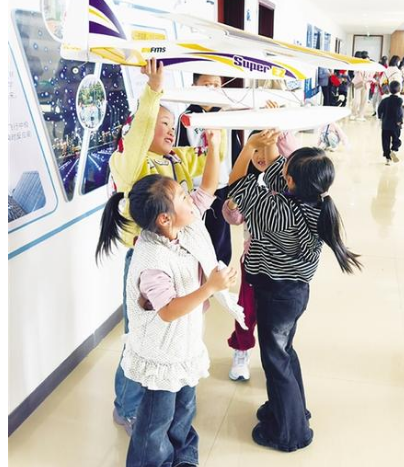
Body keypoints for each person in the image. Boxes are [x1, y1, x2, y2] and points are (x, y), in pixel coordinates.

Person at [96, 173, 237, 467]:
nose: (191, 198)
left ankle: (181, 451)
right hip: (161, 351)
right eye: (183, 197)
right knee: (156, 418)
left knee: (185, 405)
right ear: (164, 218)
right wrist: (210, 288)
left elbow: (206, 191)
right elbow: (169, 310)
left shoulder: (182, 229)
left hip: (185, 345)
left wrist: (215, 148)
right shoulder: (151, 261)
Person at [228, 135, 362, 452]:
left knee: (275, 360)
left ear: (290, 181)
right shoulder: (315, 204)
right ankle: (290, 409)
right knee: (285, 352)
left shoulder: (277, 211)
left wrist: (248, 148)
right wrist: (270, 137)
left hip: (275, 295)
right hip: (294, 294)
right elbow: (277, 169)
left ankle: (291, 433)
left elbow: (236, 187)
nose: (278, 166)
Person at [108, 59, 219, 436]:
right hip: (148, 263)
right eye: (163, 123)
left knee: (166, 338)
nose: (171, 130)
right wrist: (153, 91)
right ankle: (126, 408)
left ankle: (158, 401)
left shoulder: (175, 160)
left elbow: (208, 182)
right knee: (140, 340)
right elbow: (139, 131)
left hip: (177, 260)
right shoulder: (130, 163)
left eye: (174, 125)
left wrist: (217, 135)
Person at [223, 130, 299, 382]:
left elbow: (296, 156)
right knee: (246, 310)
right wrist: (232, 203)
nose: (261, 155)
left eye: (268, 148)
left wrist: (277, 128)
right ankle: (242, 349)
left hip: (282, 265)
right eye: (256, 149)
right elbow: (233, 217)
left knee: (278, 319)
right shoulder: (247, 181)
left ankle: (278, 359)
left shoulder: (289, 182)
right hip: (253, 263)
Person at [176, 72, 242, 266]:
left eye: (216, 84)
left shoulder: (226, 115)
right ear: (194, 86)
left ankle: (219, 267)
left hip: (221, 184)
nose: (211, 89)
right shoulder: (186, 117)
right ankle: (197, 268)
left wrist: (236, 183)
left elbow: (235, 151)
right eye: (206, 84)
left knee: (220, 232)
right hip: (197, 188)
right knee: (194, 229)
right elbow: (180, 152)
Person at [377, 80, 403, 165]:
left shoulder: (385, 100)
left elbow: (379, 109)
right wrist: (399, 121)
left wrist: (380, 117)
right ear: (399, 89)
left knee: (385, 141)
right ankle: (393, 150)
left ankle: (387, 158)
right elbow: (399, 112)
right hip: (395, 125)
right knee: (396, 139)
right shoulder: (399, 100)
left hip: (385, 125)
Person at [350, 51, 369, 121]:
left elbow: (370, 73)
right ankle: (353, 113)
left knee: (364, 100)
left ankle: (361, 115)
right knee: (357, 100)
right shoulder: (356, 64)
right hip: (358, 83)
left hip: (366, 83)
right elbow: (355, 72)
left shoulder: (368, 64)